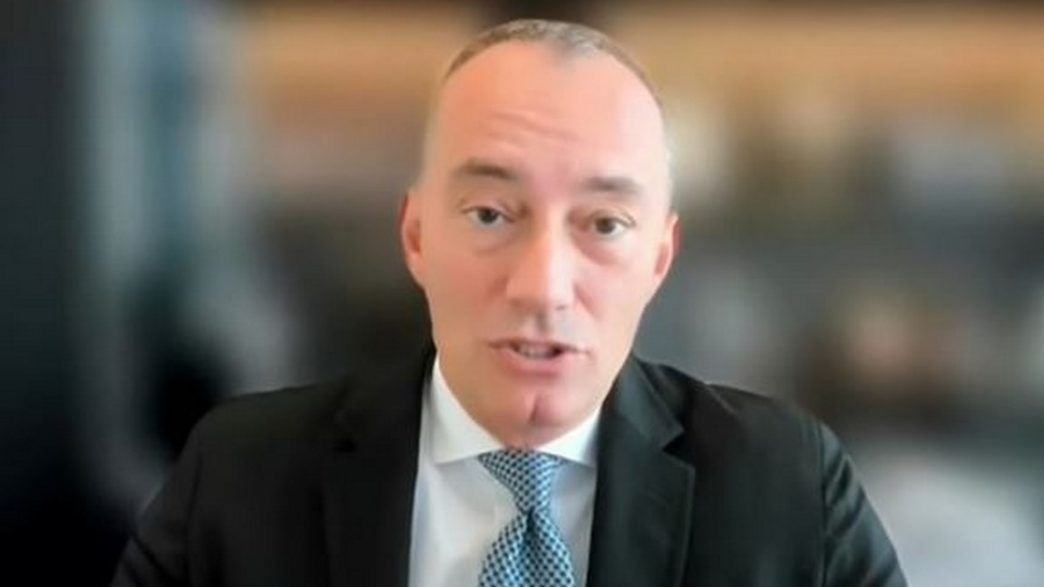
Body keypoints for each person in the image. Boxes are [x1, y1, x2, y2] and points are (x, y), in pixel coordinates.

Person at [111, 18, 906, 587]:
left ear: (659, 258)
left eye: (603, 224)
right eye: (491, 215)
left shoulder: (790, 494)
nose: (542, 286)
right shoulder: (239, 481)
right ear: (416, 235)